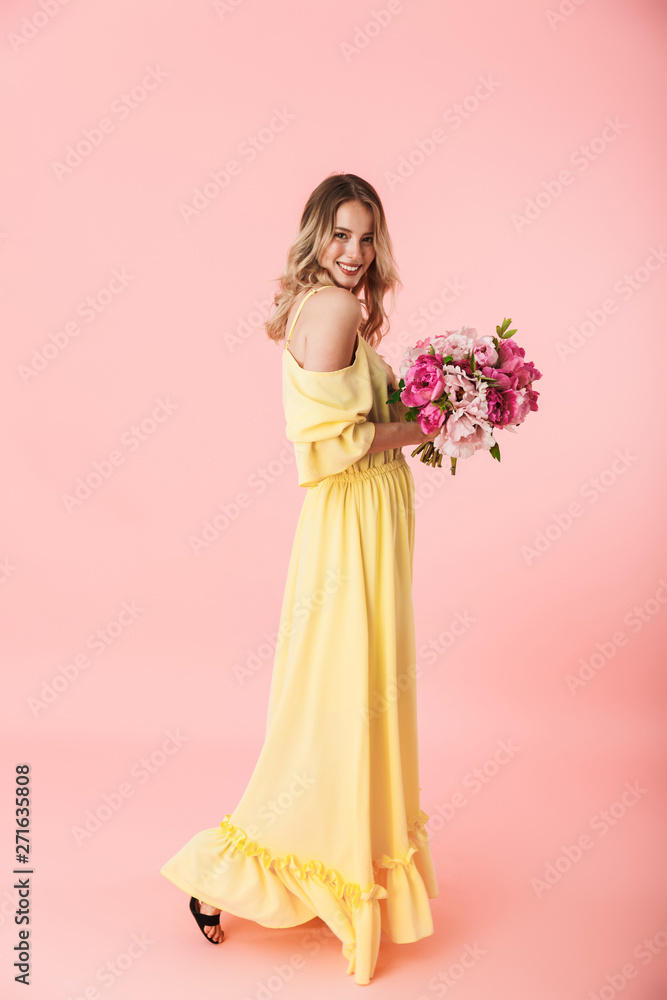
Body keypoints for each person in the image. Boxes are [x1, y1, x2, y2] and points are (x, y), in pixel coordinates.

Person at [160, 172, 440, 986]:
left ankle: (320, 858)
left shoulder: (328, 305)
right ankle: (229, 873)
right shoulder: (335, 309)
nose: (354, 252)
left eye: (366, 237)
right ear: (316, 235)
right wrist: (428, 422)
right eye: (340, 234)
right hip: (352, 526)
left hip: (357, 525)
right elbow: (332, 442)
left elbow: (344, 423)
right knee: (337, 704)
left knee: (345, 699)